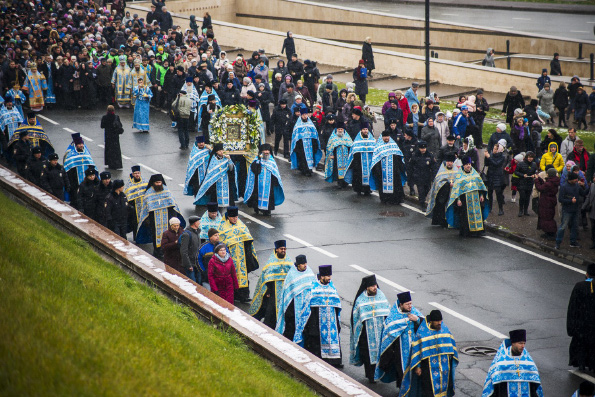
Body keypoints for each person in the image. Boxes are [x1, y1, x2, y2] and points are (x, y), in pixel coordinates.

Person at [375, 291, 423, 393]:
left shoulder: (414, 312)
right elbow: (388, 332)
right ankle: (403, 392)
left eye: (411, 303)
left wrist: (417, 320)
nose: (410, 306)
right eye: (407, 304)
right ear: (401, 304)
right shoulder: (394, 316)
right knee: (402, 372)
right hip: (400, 351)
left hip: (415, 349)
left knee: (416, 370)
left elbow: (426, 325)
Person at [405, 310, 458, 397]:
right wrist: (417, 367)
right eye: (437, 321)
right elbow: (416, 350)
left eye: (440, 321)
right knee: (428, 391)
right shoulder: (422, 332)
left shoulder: (444, 329)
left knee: (444, 388)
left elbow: (451, 345)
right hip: (427, 368)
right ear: (431, 321)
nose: (439, 323)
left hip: (444, 366)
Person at [350, 275, 390, 384]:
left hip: (380, 332)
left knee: (380, 355)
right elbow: (356, 317)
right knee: (367, 356)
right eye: (372, 286)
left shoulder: (381, 296)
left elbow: (387, 312)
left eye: (375, 285)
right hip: (366, 334)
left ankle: (379, 373)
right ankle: (371, 375)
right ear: (367, 287)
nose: (375, 287)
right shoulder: (360, 300)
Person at [136, 174, 186, 258]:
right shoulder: (149, 193)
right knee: (155, 236)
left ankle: (165, 251)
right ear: (153, 183)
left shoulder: (166, 191)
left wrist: (174, 217)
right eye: (157, 182)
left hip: (166, 218)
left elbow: (172, 205)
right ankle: (157, 251)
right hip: (154, 219)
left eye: (160, 182)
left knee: (167, 235)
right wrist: (147, 220)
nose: (159, 184)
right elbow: (146, 208)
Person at [302, 265, 343, 368]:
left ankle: (335, 361)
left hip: (331, 320)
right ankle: (320, 360)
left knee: (333, 338)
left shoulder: (332, 288)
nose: (329, 278)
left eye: (330, 275)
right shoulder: (314, 288)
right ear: (321, 276)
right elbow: (309, 306)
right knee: (317, 340)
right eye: (327, 276)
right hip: (317, 319)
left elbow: (337, 305)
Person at [482, 329, 544, 397]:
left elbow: (534, 386)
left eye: (524, 343)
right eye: (520, 343)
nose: (523, 346)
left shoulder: (528, 361)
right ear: (513, 343)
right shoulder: (501, 361)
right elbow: (495, 385)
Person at [218, 206, 259, 303]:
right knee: (232, 276)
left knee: (243, 276)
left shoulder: (241, 225)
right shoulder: (222, 227)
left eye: (236, 217)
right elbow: (220, 244)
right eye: (233, 217)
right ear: (228, 217)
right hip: (230, 257)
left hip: (242, 257)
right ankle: (234, 295)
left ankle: (244, 296)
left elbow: (248, 240)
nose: (235, 219)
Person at [249, 240, 293, 329]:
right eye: (281, 249)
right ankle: (269, 329)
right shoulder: (271, 261)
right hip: (273, 291)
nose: (283, 250)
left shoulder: (288, 261)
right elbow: (266, 278)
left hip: (284, 292)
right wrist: (268, 291)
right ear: (276, 249)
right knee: (271, 312)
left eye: (284, 249)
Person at [446, 157, 489, 237]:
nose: (468, 166)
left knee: (477, 214)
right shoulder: (460, 175)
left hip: (476, 198)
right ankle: (467, 232)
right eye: (467, 165)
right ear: (464, 165)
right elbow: (456, 189)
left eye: (469, 164)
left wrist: (482, 195)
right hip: (465, 199)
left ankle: (478, 231)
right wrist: (458, 200)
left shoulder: (475, 174)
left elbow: (480, 186)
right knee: (465, 216)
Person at [567, 262, 595, 372]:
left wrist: (571, 326)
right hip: (593, 325)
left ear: (587, 274)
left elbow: (573, 308)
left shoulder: (580, 286)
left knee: (581, 345)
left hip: (581, 325)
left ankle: (581, 363)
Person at [245, 144, 285, 216]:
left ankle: (267, 210)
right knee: (257, 196)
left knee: (269, 197)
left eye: (268, 150)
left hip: (269, 184)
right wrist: (258, 163)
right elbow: (253, 171)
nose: (266, 152)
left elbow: (275, 173)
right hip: (258, 184)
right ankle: (257, 208)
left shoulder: (272, 161)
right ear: (261, 151)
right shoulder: (256, 160)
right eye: (265, 150)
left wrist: (275, 181)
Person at [371, 131, 407, 205]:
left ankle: (397, 199)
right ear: (382, 137)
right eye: (385, 137)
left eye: (387, 136)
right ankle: (386, 199)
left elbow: (399, 157)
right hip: (383, 171)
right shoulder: (378, 147)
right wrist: (378, 171)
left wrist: (401, 167)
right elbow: (376, 160)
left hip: (394, 170)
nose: (386, 138)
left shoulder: (394, 145)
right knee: (383, 185)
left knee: (396, 184)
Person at [555, 172, 587, 250]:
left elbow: (583, 193)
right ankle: (558, 243)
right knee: (563, 227)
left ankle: (573, 242)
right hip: (567, 210)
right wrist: (570, 201)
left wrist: (585, 186)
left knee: (575, 227)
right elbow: (560, 199)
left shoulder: (577, 185)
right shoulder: (564, 187)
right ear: (571, 179)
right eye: (575, 179)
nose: (577, 180)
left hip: (575, 210)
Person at [425, 153, 458, 227]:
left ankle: (451, 221)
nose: (450, 163)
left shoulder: (456, 170)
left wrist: (455, 184)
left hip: (453, 193)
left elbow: (459, 180)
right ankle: (442, 221)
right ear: (446, 162)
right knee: (441, 206)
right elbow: (438, 182)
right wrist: (447, 184)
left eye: (451, 162)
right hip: (443, 194)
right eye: (448, 161)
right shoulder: (442, 169)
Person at [63, 133, 96, 205]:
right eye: (79, 144)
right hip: (75, 184)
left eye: (82, 144)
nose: (81, 145)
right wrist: (71, 184)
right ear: (76, 145)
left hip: (87, 184)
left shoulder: (86, 154)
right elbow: (68, 171)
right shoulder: (71, 156)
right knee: (76, 201)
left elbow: (92, 168)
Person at [345, 123, 377, 196]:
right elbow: (353, 152)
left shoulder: (372, 140)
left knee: (369, 175)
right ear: (361, 130)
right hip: (359, 162)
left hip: (369, 162)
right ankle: (358, 189)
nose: (365, 131)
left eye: (366, 129)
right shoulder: (357, 140)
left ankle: (367, 190)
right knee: (358, 176)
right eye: (364, 129)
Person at [290, 107, 323, 177]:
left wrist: (315, 143)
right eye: (303, 115)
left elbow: (315, 134)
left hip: (310, 143)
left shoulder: (311, 124)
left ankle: (309, 169)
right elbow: (295, 136)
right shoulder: (298, 125)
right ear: (301, 115)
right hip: (301, 144)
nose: (305, 116)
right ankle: (304, 170)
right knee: (303, 157)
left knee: (311, 157)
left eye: (306, 114)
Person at [324, 121, 353, 188]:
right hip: (336, 157)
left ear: (343, 130)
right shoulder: (333, 137)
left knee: (346, 169)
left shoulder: (347, 137)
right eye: (339, 129)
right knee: (338, 170)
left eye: (341, 129)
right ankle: (339, 183)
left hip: (346, 156)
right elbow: (329, 147)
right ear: (336, 129)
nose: (340, 130)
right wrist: (331, 155)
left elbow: (351, 146)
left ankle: (345, 182)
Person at [409, 141, 436, 210]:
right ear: (419, 148)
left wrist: (433, 176)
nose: (423, 149)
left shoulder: (430, 155)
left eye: (424, 148)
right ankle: (422, 204)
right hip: (418, 176)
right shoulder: (415, 155)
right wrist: (411, 175)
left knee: (427, 189)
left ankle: (422, 199)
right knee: (421, 191)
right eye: (421, 148)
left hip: (427, 176)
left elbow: (433, 166)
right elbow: (411, 165)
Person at [535, 167, 560, 240]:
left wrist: (536, 180)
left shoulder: (549, 183)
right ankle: (548, 232)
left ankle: (551, 233)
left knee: (546, 217)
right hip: (550, 200)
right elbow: (544, 186)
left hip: (546, 201)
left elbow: (540, 188)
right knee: (548, 216)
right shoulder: (554, 181)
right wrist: (540, 179)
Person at [125, 166, 148, 243]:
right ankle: (137, 238)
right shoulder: (129, 185)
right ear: (132, 174)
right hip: (134, 208)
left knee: (144, 223)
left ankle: (144, 238)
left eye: (138, 173)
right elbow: (127, 196)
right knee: (135, 223)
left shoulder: (145, 182)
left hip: (144, 207)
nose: (137, 175)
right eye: (135, 173)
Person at [484, 141, 508, 216]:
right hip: (490, 175)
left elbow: (496, 164)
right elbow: (486, 164)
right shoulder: (491, 155)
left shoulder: (502, 157)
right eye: (493, 149)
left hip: (498, 176)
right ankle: (490, 208)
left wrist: (489, 157)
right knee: (489, 193)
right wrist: (486, 157)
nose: (493, 150)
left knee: (498, 193)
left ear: (499, 150)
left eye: (495, 149)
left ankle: (501, 209)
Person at [515, 152, 538, 217]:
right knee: (522, 196)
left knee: (527, 197)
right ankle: (520, 210)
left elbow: (536, 172)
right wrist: (522, 175)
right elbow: (516, 172)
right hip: (521, 182)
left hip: (529, 183)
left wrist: (534, 175)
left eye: (531, 157)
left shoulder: (534, 164)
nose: (530, 159)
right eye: (529, 157)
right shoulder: (520, 164)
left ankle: (526, 210)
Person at [100, 105, 124, 170]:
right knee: (116, 150)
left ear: (107, 110)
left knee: (109, 150)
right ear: (114, 110)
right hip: (115, 136)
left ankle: (110, 163)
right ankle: (116, 164)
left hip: (108, 136)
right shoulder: (116, 117)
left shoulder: (104, 117)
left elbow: (102, 126)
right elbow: (120, 125)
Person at [180, 215, 201, 283]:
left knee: (199, 282)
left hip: (197, 263)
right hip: (190, 264)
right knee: (193, 283)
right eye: (198, 222)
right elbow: (183, 251)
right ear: (195, 223)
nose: (199, 223)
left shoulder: (197, 232)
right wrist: (188, 265)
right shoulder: (187, 234)